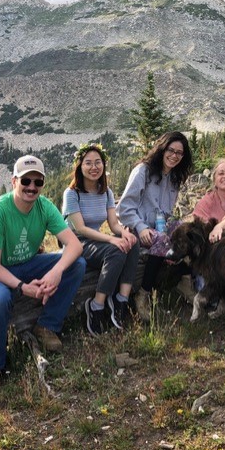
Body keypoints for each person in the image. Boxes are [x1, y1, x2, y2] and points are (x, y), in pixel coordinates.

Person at [0, 155, 86, 394]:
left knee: (77, 264)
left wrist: (55, 272)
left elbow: (75, 245)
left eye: (38, 182)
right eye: (26, 180)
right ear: (14, 181)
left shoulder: (44, 206)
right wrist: (23, 287)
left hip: (28, 262)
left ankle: (47, 325)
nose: (32, 187)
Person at [62, 144, 140, 336]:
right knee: (115, 248)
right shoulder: (72, 194)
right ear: (79, 167)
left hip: (95, 241)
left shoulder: (106, 192)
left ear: (103, 166)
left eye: (98, 162)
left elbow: (114, 224)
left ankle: (121, 299)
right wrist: (112, 240)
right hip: (76, 243)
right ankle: (96, 306)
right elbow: (80, 228)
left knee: (132, 242)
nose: (94, 167)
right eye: (88, 163)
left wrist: (124, 233)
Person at [117, 131, 194, 322]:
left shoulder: (173, 177)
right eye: (171, 150)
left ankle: (184, 281)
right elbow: (124, 208)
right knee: (162, 240)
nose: (174, 156)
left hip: (159, 226)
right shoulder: (143, 170)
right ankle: (143, 293)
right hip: (136, 227)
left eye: (179, 153)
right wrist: (141, 227)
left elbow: (166, 213)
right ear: (162, 149)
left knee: (188, 233)